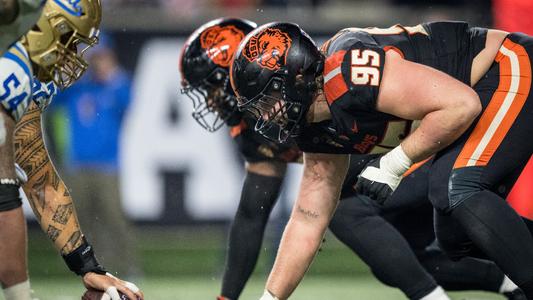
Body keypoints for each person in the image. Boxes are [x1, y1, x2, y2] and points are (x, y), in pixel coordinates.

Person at [182, 19, 525, 300]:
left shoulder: (346, 71)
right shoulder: (309, 123)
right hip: (461, 108)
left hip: (504, 65)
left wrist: (395, 163)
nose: (267, 114)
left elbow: (460, 105)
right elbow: (305, 222)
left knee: (455, 190)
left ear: (296, 76)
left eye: (267, 98)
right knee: (454, 237)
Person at [0, 0, 144, 299]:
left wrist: (88, 267)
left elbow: (39, 181)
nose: (75, 56)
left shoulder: (22, 79)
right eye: (71, 41)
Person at [50, 32, 139, 278]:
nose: (96, 62)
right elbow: (52, 101)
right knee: (78, 223)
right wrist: (72, 75)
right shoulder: (77, 89)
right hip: (77, 164)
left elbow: (128, 100)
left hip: (107, 165)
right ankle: (80, 270)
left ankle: (124, 268)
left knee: (113, 220)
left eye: (100, 57)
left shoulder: (115, 85)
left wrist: (110, 74)